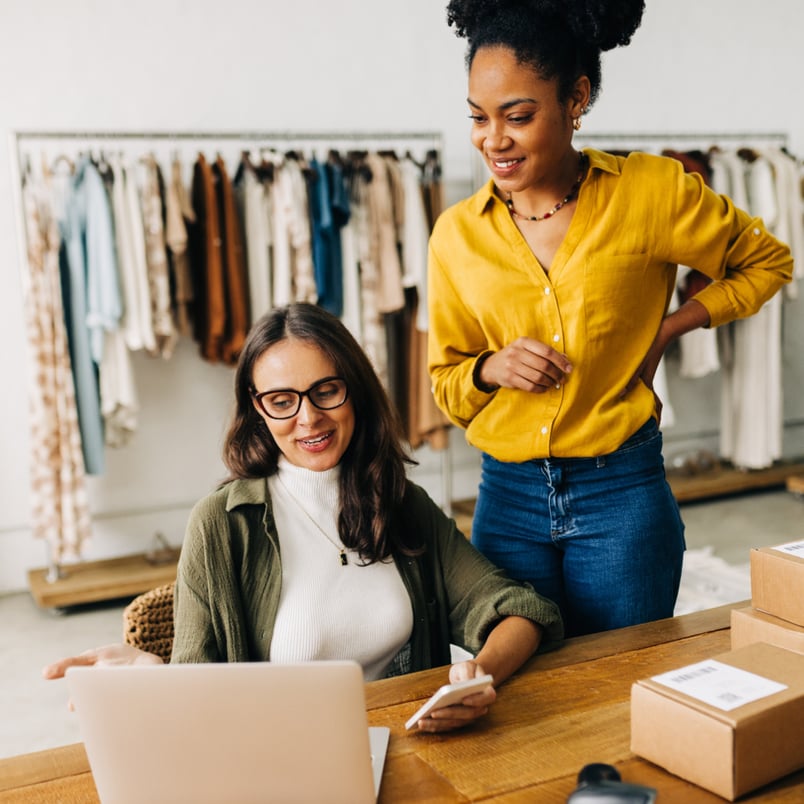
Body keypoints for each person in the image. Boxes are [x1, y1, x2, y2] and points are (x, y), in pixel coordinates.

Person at [427, 0, 794, 637]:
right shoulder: (456, 236)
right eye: (478, 118)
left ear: (577, 98)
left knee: (623, 682)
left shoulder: (651, 193)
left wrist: (672, 327)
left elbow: (766, 262)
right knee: (525, 696)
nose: (494, 139)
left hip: (620, 494)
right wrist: (489, 368)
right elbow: (448, 386)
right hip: (506, 502)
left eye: (518, 116)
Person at [44, 302, 563, 733]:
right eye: (281, 401)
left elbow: (518, 609)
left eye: (325, 391)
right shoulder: (221, 525)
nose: (308, 418)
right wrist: (155, 671)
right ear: (257, 407)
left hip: (413, 747)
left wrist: (478, 678)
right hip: (284, 763)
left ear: (354, 389)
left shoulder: (401, 502)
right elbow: (197, 691)